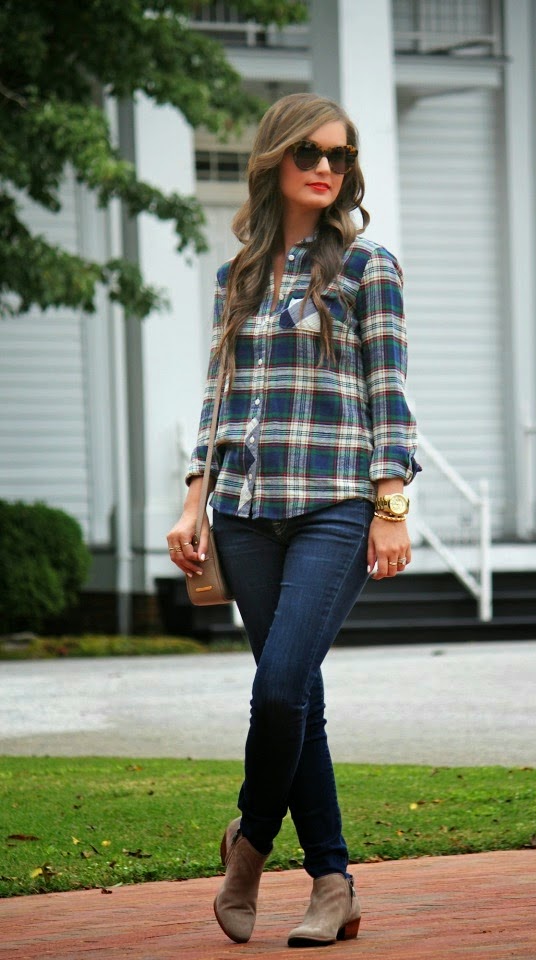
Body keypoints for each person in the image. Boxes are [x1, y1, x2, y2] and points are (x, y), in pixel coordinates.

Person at [167, 92, 419, 948]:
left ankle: (247, 847)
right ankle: (333, 882)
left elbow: (390, 394)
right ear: (273, 158)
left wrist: (391, 506)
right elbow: (218, 398)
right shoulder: (237, 276)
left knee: (279, 687)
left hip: (335, 507)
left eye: (339, 156)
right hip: (243, 510)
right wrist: (194, 500)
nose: (324, 167)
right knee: (298, 694)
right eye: (308, 152)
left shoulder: (368, 268)